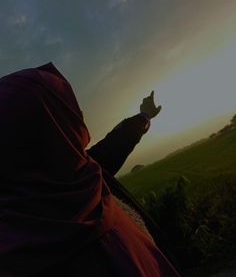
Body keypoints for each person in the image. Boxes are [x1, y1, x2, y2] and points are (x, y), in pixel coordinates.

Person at [0, 62, 180, 276]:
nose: (80, 113)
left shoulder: (76, 179)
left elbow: (112, 148)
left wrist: (144, 117)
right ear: (47, 129)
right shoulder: (80, 191)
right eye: (65, 109)